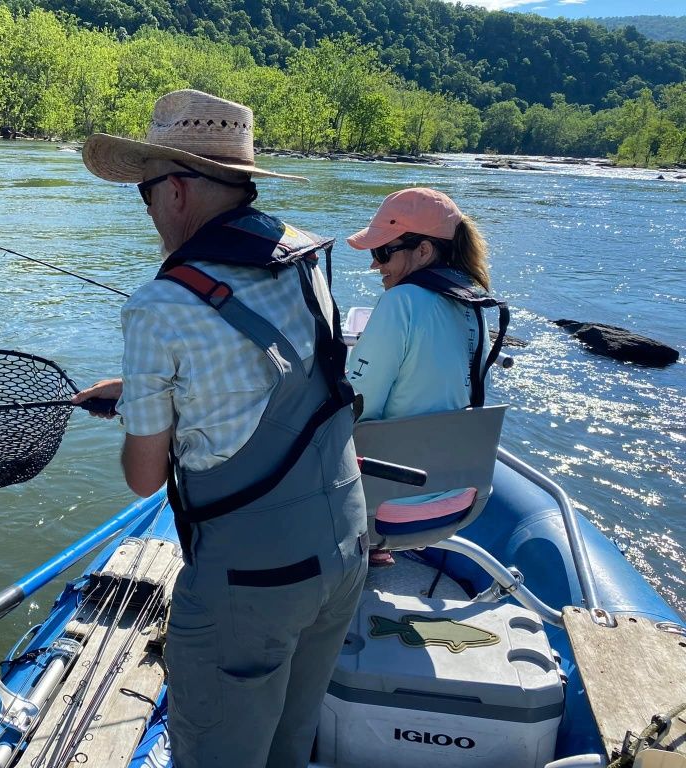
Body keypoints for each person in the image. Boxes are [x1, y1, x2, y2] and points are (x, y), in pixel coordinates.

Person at [73, 90, 368, 768]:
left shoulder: (160, 305)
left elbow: (144, 480)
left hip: (253, 584)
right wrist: (144, 394)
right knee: (290, 744)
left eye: (143, 195)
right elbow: (282, 373)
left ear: (175, 190)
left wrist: (145, 416)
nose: (146, 211)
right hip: (344, 546)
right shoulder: (303, 258)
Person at [344, 187, 507, 566]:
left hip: (386, 503)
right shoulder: (475, 306)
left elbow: (356, 407)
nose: (375, 264)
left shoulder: (400, 303)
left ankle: (361, 550)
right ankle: (377, 549)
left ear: (423, 251)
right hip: (459, 498)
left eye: (383, 251)